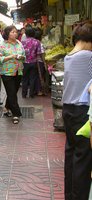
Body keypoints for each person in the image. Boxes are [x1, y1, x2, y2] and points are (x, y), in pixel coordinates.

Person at [62, 20, 92, 200]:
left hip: (68, 110)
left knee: (71, 153)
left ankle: (70, 195)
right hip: (82, 113)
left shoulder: (69, 56)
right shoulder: (87, 57)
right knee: (83, 158)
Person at [0, 25, 25, 124]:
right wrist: (10, 57)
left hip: (18, 71)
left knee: (12, 92)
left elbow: (24, 56)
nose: (15, 33)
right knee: (12, 92)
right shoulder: (2, 45)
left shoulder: (19, 44)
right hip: (7, 73)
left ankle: (7, 107)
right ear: (7, 33)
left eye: (16, 32)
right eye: (12, 32)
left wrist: (21, 57)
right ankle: (16, 114)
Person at [21, 25, 42, 98]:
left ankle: (24, 94)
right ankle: (31, 94)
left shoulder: (23, 42)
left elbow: (21, 52)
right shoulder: (37, 42)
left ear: (26, 34)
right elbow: (39, 53)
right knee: (32, 78)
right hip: (34, 62)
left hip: (25, 62)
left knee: (25, 78)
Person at [34, 27, 47, 96]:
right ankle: (39, 91)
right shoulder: (39, 44)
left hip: (33, 62)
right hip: (39, 62)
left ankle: (34, 90)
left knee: (35, 76)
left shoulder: (32, 42)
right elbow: (42, 54)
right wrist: (44, 63)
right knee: (40, 76)